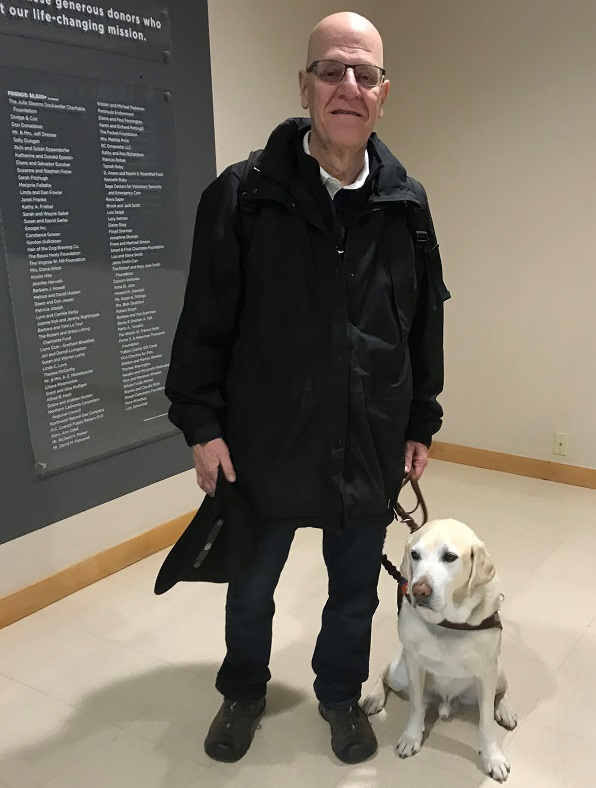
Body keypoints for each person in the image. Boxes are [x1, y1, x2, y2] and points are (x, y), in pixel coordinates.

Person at [165, 11, 449, 765]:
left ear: (383, 93)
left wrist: (421, 418)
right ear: (305, 86)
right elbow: (203, 323)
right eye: (332, 70)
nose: (348, 86)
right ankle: (244, 691)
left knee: (353, 591)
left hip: (368, 438)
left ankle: (337, 695)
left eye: (365, 74)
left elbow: (423, 325)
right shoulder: (241, 196)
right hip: (265, 443)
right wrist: (201, 425)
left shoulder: (407, 205)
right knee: (251, 588)